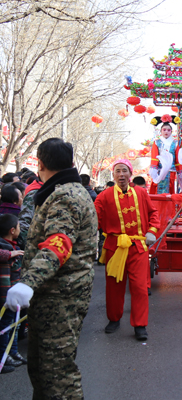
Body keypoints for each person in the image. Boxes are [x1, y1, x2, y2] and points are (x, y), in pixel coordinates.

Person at [4, 138, 97, 399]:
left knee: (57, 376)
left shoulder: (66, 195)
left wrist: (28, 282)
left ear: (41, 164)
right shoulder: (66, 191)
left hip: (60, 298)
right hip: (53, 297)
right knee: (42, 370)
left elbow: (59, 243)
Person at [95, 159, 160, 341]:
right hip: (114, 247)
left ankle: (140, 324)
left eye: (124, 171)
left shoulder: (141, 193)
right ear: (113, 175)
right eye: (117, 171)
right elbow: (94, 218)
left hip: (138, 247)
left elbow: (153, 214)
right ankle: (114, 319)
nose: (121, 174)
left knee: (139, 287)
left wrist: (151, 231)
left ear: (130, 174)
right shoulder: (104, 196)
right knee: (114, 286)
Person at [0, 213, 25, 373]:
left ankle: (13, 352)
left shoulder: (13, 246)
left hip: (14, 296)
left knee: (14, 325)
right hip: (7, 297)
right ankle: (4, 355)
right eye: (18, 227)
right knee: (6, 326)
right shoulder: (6, 249)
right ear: (12, 230)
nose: (20, 230)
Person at [149, 115, 182, 194]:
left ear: (171, 131)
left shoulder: (175, 143)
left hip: (171, 172)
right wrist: (153, 170)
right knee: (157, 191)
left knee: (170, 191)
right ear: (161, 131)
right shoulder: (157, 142)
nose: (166, 132)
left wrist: (180, 172)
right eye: (164, 130)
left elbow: (178, 159)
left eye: (168, 130)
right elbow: (154, 157)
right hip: (159, 172)